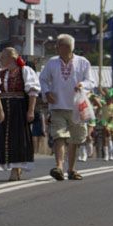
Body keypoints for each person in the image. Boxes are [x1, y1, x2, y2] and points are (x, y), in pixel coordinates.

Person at [38, 34, 93, 181]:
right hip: (57, 106)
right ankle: (59, 167)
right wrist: (47, 92)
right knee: (59, 136)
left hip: (77, 107)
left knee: (75, 140)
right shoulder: (52, 63)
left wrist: (83, 85)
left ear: (67, 47)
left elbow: (91, 81)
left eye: (58, 45)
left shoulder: (83, 62)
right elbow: (43, 79)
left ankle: (72, 169)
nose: (56, 47)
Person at [0, 47, 38, 181]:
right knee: (5, 139)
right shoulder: (1, 74)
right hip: (4, 107)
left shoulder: (24, 71)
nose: (1, 59)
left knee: (18, 138)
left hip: (18, 108)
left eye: (3, 57)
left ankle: (16, 168)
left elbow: (33, 91)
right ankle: (14, 167)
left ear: (11, 58)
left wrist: (30, 110)